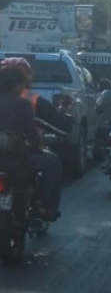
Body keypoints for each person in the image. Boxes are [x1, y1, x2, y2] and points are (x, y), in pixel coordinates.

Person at [0, 66, 63, 221]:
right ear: (16, 86)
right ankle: (43, 206)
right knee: (53, 161)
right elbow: (33, 136)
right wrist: (38, 145)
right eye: (22, 85)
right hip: (17, 159)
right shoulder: (23, 104)